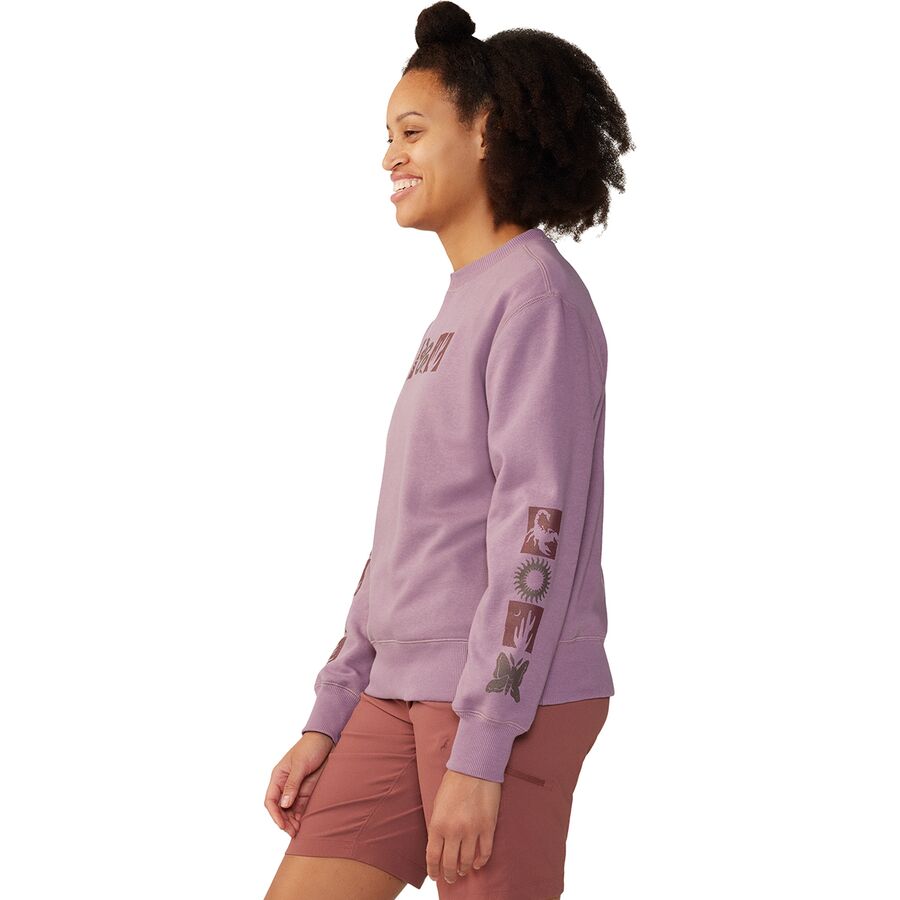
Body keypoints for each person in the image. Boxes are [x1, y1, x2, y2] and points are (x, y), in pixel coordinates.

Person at [263, 3, 634, 898]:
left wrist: (483, 745)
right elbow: (409, 534)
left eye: (412, 130)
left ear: (485, 131)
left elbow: (536, 530)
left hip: (503, 701)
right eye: (388, 136)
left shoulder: (536, 298)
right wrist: (332, 709)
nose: (390, 156)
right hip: (398, 690)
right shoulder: (465, 301)